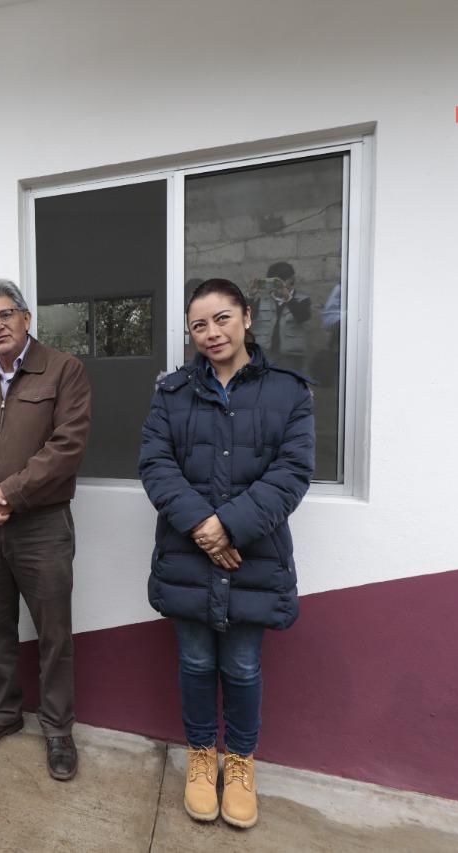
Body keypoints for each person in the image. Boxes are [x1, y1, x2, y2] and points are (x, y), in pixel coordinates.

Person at [139, 278, 314, 829]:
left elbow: (293, 471)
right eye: (199, 325)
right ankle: (200, 756)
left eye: (221, 319)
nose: (211, 332)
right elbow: (155, 464)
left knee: (241, 666)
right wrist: (202, 527)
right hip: (187, 554)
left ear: (247, 318)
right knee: (194, 662)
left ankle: (239, 762)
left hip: (253, 555)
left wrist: (230, 528)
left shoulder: (289, 392)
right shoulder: (171, 393)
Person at [0, 278, 91, 781]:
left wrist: (6, 494)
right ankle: (3, 712)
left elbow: (67, 446)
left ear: (26, 317)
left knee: (54, 633)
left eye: (5, 314)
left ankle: (58, 728)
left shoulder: (64, 369)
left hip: (42, 524)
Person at [248, 261, 313, 373]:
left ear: (291, 280)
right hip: (264, 354)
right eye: (274, 282)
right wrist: (250, 296)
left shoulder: (303, 300)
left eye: (280, 281)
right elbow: (245, 317)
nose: (277, 285)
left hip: (291, 356)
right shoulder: (260, 300)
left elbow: (302, 316)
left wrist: (287, 297)